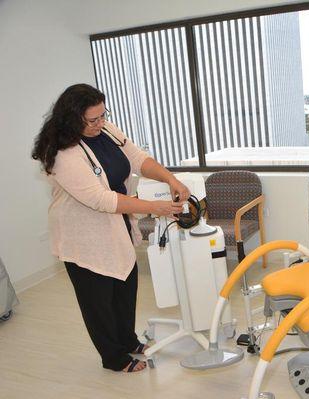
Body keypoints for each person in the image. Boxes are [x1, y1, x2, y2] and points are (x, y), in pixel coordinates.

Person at [31, 83, 190, 373]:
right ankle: (113, 358)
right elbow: (99, 198)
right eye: (93, 120)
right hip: (84, 235)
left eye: (103, 115)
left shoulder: (106, 130)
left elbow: (138, 158)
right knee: (98, 301)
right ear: (72, 119)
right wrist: (155, 208)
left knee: (125, 287)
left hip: (118, 222)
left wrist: (171, 179)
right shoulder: (64, 153)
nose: (101, 123)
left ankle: (128, 340)